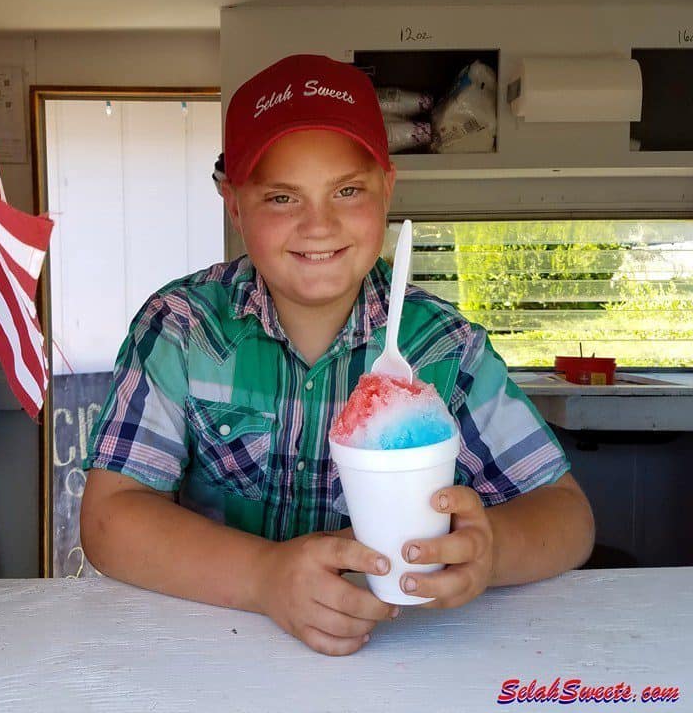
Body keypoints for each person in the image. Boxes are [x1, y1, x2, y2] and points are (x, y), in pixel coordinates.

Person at [80, 53, 595, 657]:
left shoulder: (445, 348)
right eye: (281, 198)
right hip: (211, 656)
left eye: (347, 190)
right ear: (235, 207)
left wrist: (492, 550)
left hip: (410, 660)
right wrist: (264, 577)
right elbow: (109, 520)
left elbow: (567, 516)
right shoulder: (180, 331)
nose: (318, 225)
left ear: (387, 189)